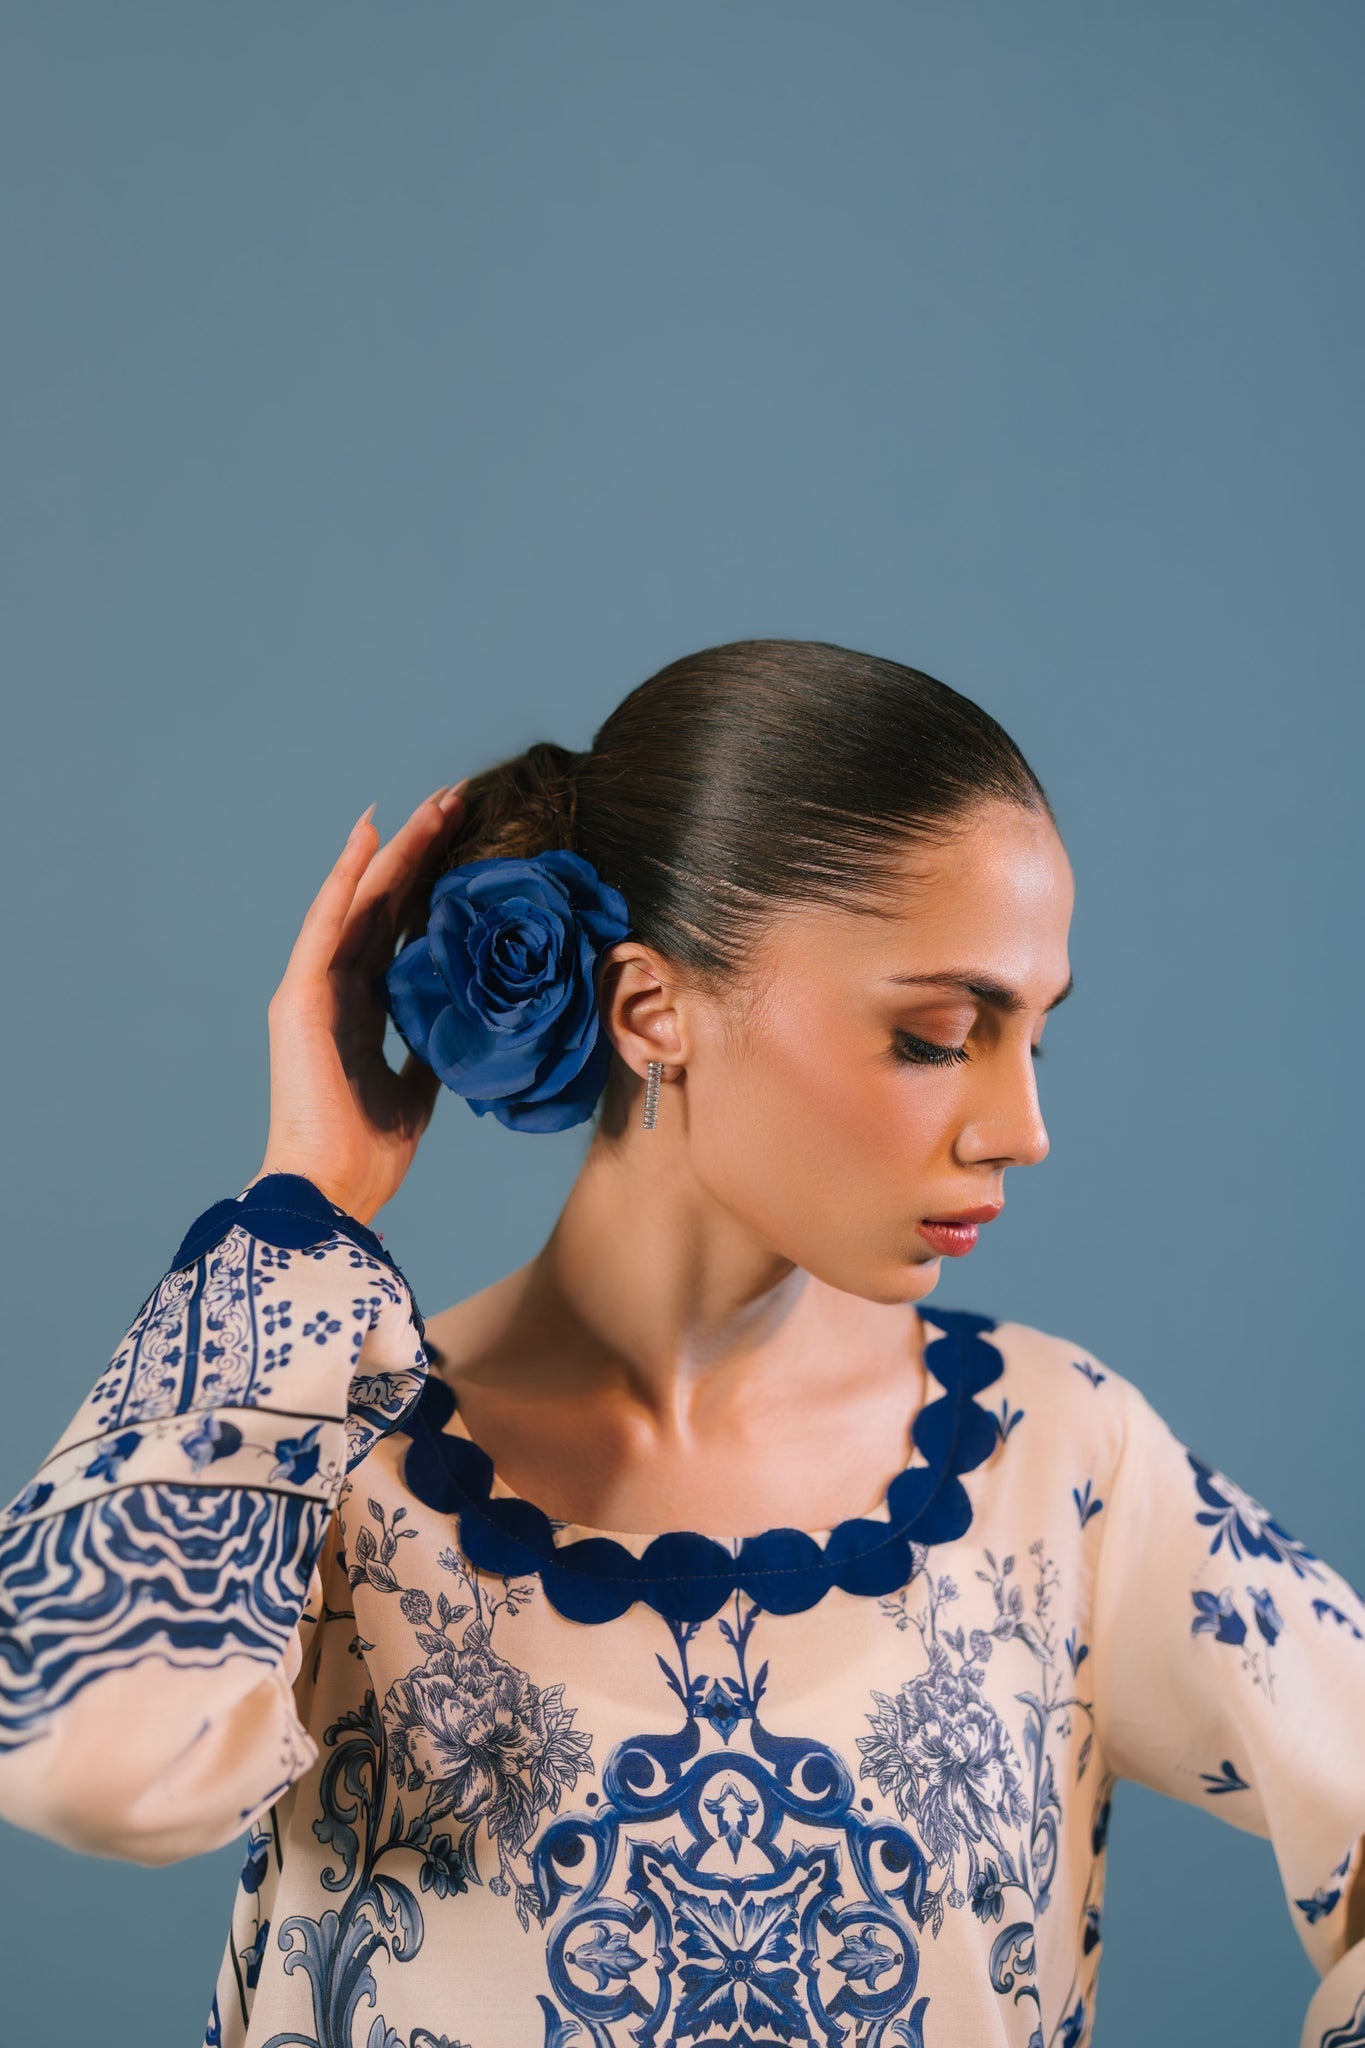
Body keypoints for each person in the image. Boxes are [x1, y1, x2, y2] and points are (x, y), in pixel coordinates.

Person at [1, 638, 1362, 2048]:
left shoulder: (1055, 1459)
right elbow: (82, 1756)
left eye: (1034, 1038)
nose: (1022, 1129)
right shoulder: (327, 1460)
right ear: (653, 1012)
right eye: (938, 1034)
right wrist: (302, 1204)